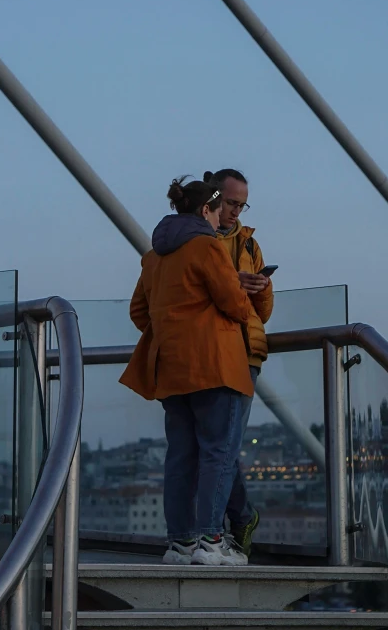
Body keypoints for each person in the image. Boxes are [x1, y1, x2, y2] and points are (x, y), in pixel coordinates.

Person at [119, 177, 254, 567]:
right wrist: (246, 290)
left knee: (180, 456)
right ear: (205, 211)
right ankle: (212, 542)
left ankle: (180, 544)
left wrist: (176, 329)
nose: (219, 221)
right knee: (218, 453)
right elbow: (235, 306)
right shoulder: (207, 248)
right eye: (217, 213)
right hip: (215, 365)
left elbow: (139, 313)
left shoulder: (154, 256)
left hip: (171, 370)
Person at [204, 169, 274, 557]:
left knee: (220, 447)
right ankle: (237, 519)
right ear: (214, 198)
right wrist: (233, 284)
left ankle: (229, 524)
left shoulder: (250, 245)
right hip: (210, 349)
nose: (236, 211)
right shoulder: (198, 240)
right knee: (215, 448)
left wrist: (259, 287)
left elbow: (263, 312)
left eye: (242, 204)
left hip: (244, 352)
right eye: (231, 203)